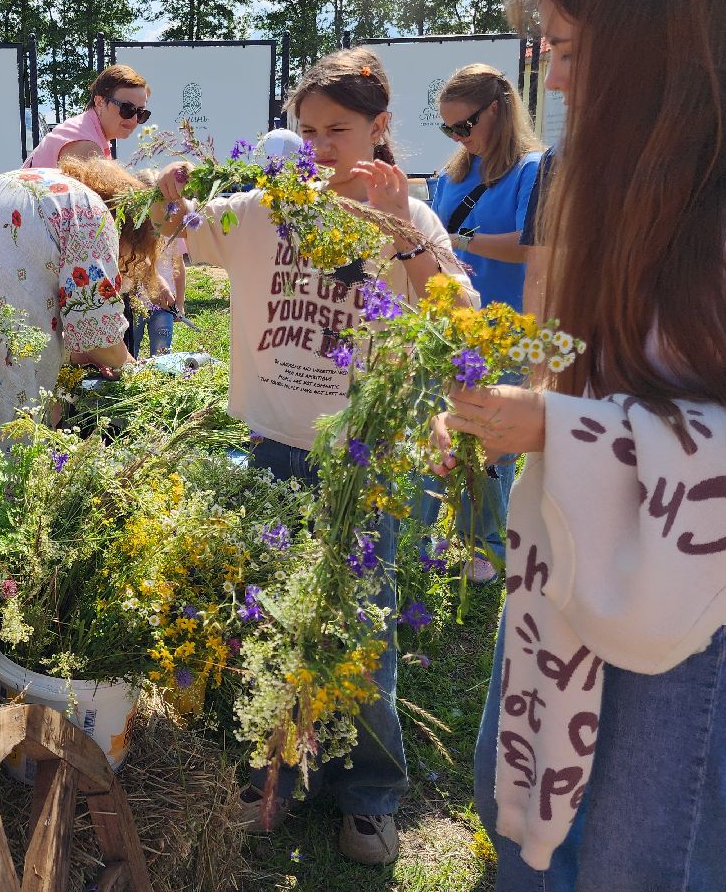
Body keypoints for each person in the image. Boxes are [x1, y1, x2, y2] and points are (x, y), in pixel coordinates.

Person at [435, 0, 726, 889]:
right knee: (526, 816)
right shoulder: (627, 180)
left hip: (705, 606)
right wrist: (513, 414)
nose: (558, 82)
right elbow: (591, 372)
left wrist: (561, 433)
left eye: (571, 51)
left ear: (666, 42)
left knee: (641, 865)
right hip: (587, 564)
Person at [158, 47, 478, 867]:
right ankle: (278, 779)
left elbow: (458, 318)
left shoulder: (406, 214)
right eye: (307, 130)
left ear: (379, 128)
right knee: (267, 622)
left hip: (365, 461)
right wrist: (166, 196)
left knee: (365, 632)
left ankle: (369, 799)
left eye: (337, 128)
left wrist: (403, 228)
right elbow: (177, 231)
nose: (320, 145)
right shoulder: (265, 208)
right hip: (270, 447)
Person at [0, 155, 162, 496]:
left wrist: (77, 354)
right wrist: (136, 370)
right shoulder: (92, 214)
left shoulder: (33, 179)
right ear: (130, 231)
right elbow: (100, 337)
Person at [429, 65, 544, 583]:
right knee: (452, 431)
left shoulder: (533, 169)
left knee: (491, 436)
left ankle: (489, 545)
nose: (459, 138)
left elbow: (530, 246)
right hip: (453, 325)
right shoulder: (453, 174)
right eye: (449, 129)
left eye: (465, 126)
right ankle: (455, 532)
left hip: (508, 327)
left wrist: (458, 240)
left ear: (497, 109)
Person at [23, 64, 150, 168]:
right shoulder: (83, 143)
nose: (134, 119)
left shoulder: (85, 130)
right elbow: (116, 196)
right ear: (99, 102)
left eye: (140, 112)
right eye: (127, 109)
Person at [131, 236, 186, 357]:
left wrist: (180, 303)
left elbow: (179, 266)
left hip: (165, 305)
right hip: (135, 303)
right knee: (130, 350)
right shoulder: (138, 226)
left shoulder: (175, 231)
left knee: (162, 352)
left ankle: (159, 374)